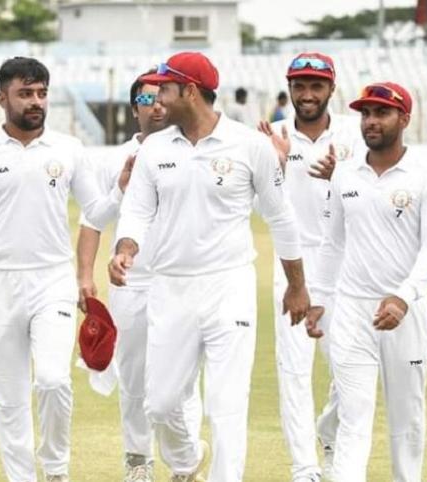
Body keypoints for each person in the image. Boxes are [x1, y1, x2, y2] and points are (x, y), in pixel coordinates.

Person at [109, 51, 310, 482]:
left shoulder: (250, 146)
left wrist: (297, 286)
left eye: (165, 88)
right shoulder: (155, 149)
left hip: (228, 285)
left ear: (190, 91)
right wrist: (125, 249)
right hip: (170, 288)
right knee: (160, 404)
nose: (158, 98)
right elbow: (137, 212)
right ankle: (185, 461)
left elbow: (282, 218)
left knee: (225, 405)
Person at [0, 56, 126, 482]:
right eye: (25, 93)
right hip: (1, 284)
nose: (35, 102)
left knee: (52, 381)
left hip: (52, 280)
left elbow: (95, 211)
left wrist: (120, 189)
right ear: (2, 98)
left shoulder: (67, 149)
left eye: (41, 93)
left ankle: (57, 471)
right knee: (8, 399)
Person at [306, 82, 427, 482]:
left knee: (406, 416)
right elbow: (331, 244)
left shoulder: (426, 178)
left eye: (381, 113)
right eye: (366, 113)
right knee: (355, 414)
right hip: (353, 311)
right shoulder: (345, 175)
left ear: (404, 119)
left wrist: (403, 298)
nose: (371, 121)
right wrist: (319, 298)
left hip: (407, 312)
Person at [76, 73, 201, 482]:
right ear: (135, 109)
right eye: (148, 98)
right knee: (133, 377)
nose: (158, 105)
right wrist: (84, 277)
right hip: (131, 282)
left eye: (163, 95)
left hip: (182, 280)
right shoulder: (112, 159)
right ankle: (137, 460)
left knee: (181, 379)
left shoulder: (192, 151)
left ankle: (185, 462)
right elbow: (92, 220)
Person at [256, 52, 366, 482]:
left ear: (331, 89)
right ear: (289, 88)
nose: (307, 94)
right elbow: (256, 207)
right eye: (299, 85)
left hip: (346, 269)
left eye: (315, 86)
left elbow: (370, 200)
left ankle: (330, 435)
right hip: (293, 268)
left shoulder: (356, 138)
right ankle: (304, 468)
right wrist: (277, 168)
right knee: (294, 371)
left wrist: (344, 176)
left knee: (349, 368)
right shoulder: (272, 136)